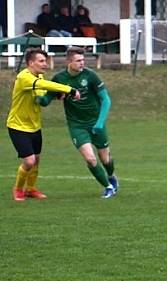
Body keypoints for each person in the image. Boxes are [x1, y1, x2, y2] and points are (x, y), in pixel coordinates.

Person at [41, 47, 118, 198]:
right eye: (78, 61)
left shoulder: (91, 76)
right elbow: (46, 100)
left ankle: (111, 176)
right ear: (69, 61)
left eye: (83, 60)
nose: (82, 63)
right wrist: (36, 95)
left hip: (96, 123)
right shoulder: (59, 78)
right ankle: (108, 187)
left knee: (105, 159)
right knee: (90, 158)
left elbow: (106, 100)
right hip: (77, 125)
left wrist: (100, 123)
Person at [6, 48, 79, 201]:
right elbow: (44, 85)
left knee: (37, 159)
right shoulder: (24, 77)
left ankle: (31, 189)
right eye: (41, 61)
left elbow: (39, 96)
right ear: (30, 63)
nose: (45, 64)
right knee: (29, 161)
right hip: (17, 126)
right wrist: (70, 90)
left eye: (45, 61)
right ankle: (18, 189)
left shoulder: (37, 76)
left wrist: (56, 96)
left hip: (34, 126)